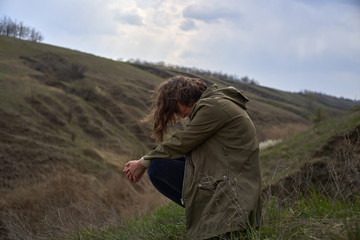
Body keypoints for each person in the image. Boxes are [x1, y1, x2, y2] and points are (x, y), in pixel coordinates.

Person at [123, 75, 262, 239]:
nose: (180, 116)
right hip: (229, 180)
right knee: (163, 163)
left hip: (233, 191)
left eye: (176, 109)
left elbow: (182, 142)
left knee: (158, 166)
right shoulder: (216, 103)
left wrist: (143, 161)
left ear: (184, 97)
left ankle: (210, 215)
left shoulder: (214, 106)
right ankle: (205, 213)